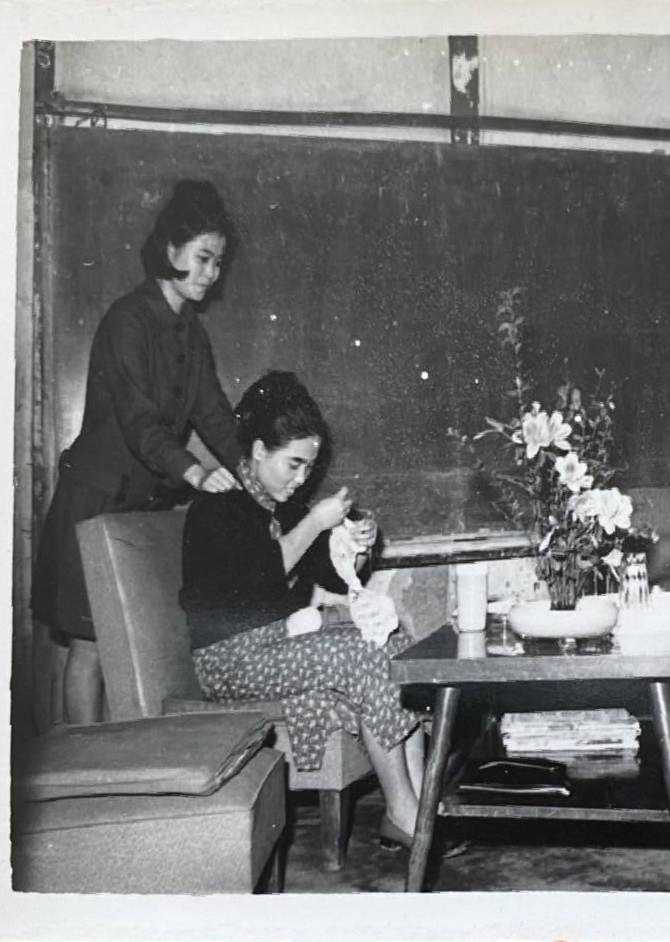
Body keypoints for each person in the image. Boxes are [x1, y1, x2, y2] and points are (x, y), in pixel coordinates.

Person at [179, 370, 447, 854]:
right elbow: (260, 579)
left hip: (281, 643)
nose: (302, 478)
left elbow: (332, 575)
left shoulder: (282, 505)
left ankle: (418, 807)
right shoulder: (216, 508)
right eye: (294, 464)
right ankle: (403, 813)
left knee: (392, 641)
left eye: (308, 467)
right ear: (258, 450)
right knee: (363, 656)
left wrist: (356, 544)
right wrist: (315, 522)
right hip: (231, 660)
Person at [32, 179, 243, 725]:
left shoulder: (191, 334)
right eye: (203, 258)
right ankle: (85, 766)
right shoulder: (127, 319)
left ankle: (122, 760)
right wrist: (196, 473)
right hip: (96, 503)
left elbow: (215, 416)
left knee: (130, 650)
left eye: (218, 262)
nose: (211, 273)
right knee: (91, 647)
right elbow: (138, 421)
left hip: (138, 509)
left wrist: (254, 471)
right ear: (170, 250)